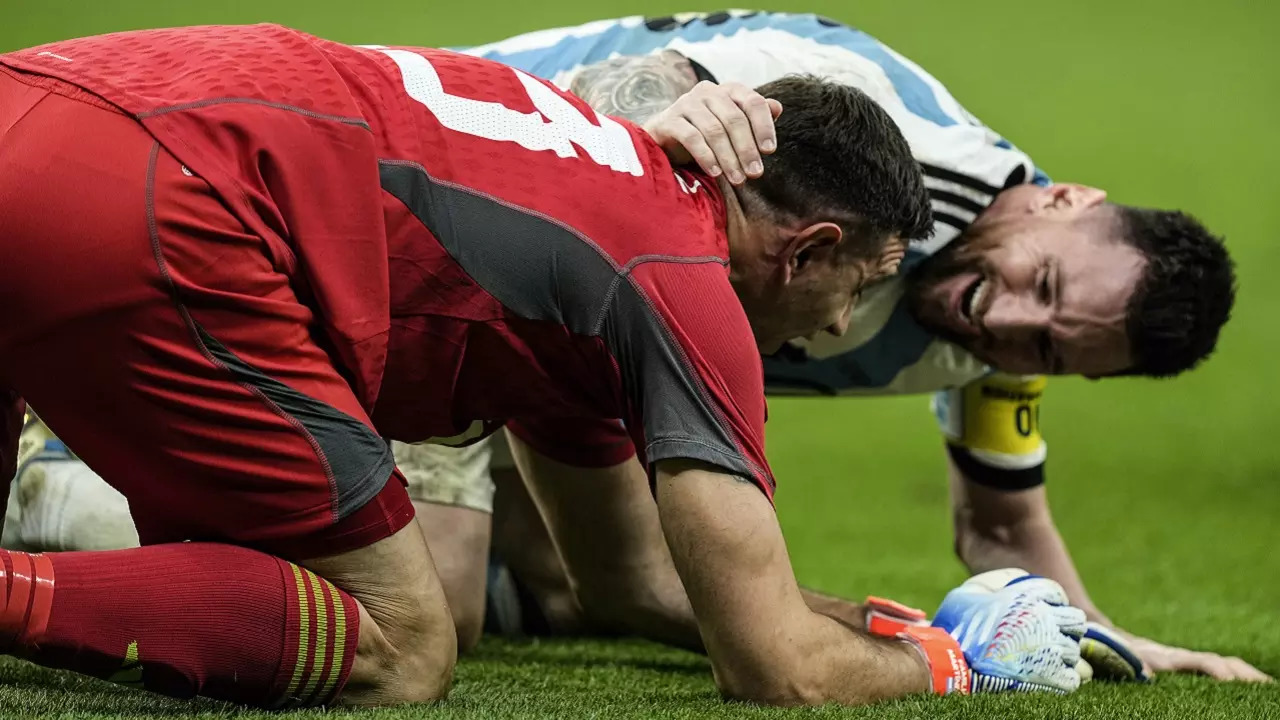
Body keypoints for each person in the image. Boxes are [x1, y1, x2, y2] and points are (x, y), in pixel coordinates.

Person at [0, 23, 1087, 709]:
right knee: (403, 649)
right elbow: (775, 675)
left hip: (52, 98)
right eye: (855, 287)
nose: (830, 329)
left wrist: (876, 620)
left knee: (248, 579)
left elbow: (628, 580)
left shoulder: (607, 179)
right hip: (176, 208)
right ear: (806, 247)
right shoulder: (685, 283)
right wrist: (948, 668)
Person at [425, 10, 1260, 683]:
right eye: (1040, 285)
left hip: (565, 343)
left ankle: (508, 556)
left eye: (1044, 352)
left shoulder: (994, 348)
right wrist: (657, 119)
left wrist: (1099, 638)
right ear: (1064, 200)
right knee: (435, 614)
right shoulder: (880, 118)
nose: (1003, 323)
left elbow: (1004, 527)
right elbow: (608, 97)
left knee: (619, 580)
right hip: (444, 205)